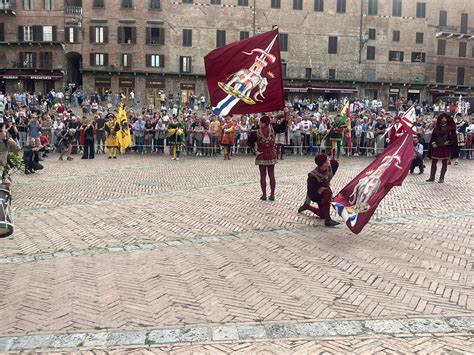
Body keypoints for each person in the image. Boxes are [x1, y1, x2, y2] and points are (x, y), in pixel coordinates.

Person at [297, 153, 340, 227]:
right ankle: (328, 220)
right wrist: (321, 201)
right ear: (323, 164)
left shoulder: (329, 167)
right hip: (317, 193)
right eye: (327, 160)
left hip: (325, 189)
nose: (328, 160)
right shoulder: (312, 176)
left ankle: (307, 207)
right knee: (328, 193)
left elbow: (335, 165)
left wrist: (334, 161)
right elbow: (311, 194)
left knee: (323, 215)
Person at [248, 115, 277, 201]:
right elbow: (283, 126)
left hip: (261, 154)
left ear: (263, 123)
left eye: (260, 122)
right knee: (272, 175)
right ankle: (272, 195)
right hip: (271, 154)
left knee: (263, 175)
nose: (259, 123)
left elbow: (249, 142)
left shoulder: (256, 132)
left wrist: (254, 151)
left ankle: (264, 195)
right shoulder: (273, 130)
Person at [426, 113, 459, 183]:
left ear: (447, 119)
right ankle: (432, 177)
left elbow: (453, 139)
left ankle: (441, 178)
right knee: (434, 162)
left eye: (445, 118)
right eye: (442, 118)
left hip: (445, 147)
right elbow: (433, 137)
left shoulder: (451, 128)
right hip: (437, 147)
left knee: (444, 163)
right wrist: (433, 143)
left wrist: (449, 142)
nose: (443, 119)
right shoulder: (437, 128)